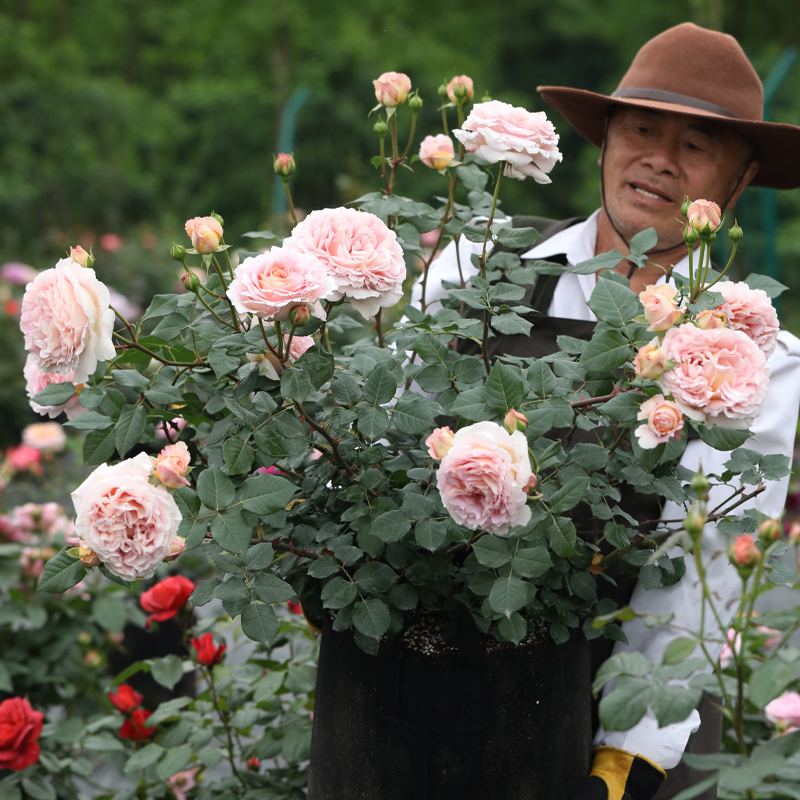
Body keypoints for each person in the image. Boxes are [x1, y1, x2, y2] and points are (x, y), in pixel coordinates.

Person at [413, 22, 800, 800]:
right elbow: (393, 449)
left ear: (740, 177)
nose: (660, 157)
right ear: (606, 141)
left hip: (616, 718)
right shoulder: (476, 272)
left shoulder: (753, 357)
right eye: (642, 129)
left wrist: (622, 758)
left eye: (697, 146)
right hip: (435, 699)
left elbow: (699, 566)